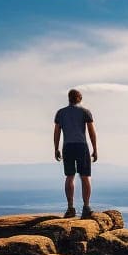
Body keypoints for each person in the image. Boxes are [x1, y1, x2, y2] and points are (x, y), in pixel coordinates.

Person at [53, 88, 98, 218]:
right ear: (80, 98)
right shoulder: (85, 112)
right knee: (85, 177)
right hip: (81, 146)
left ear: (69, 98)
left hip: (67, 146)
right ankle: (86, 207)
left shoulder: (60, 113)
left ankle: (70, 208)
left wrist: (56, 148)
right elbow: (91, 132)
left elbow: (57, 132)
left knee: (69, 176)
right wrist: (95, 149)